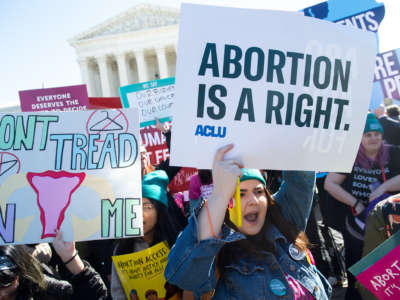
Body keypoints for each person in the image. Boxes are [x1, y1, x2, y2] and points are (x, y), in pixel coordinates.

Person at [165, 144, 331, 299]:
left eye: (259, 192)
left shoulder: (283, 222)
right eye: (241, 194)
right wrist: (219, 196)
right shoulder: (216, 256)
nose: (253, 201)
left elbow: (301, 177)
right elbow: (184, 276)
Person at [324, 112, 400, 300]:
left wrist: (384, 187)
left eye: (377, 134)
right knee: (359, 272)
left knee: (389, 271)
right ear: (360, 138)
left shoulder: (393, 152)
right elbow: (329, 183)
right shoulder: (350, 157)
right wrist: (355, 203)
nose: (373, 138)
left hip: (390, 224)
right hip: (358, 227)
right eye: (368, 135)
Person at [111, 170, 182, 300]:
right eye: (135, 207)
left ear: (159, 212)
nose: (139, 214)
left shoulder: (176, 243)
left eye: (147, 207)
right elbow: (117, 292)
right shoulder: (121, 249)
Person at [0, 230, 107, 300]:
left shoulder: (40, 287)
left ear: (19, 275)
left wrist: (72, 259)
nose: (2, 295)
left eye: (5, 284)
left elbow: (94, 296)